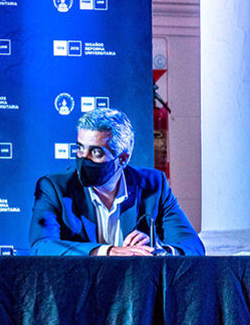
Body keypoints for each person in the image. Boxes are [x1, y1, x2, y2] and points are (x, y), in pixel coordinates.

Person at [29, 108, 204, 256]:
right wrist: (107, 251)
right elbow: (41, 245)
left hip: (135, 290)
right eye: (80, 149)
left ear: (122, 159)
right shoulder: (55, 187)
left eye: (96, 153)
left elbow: (193, 246)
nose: (84, 159)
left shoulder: (154, 185)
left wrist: (158, 250)